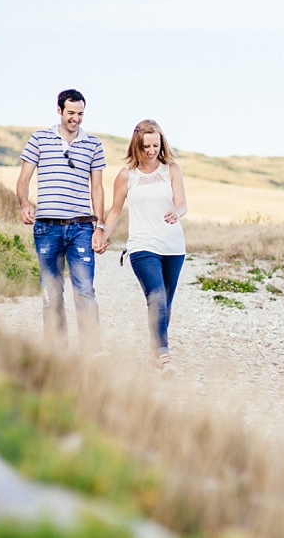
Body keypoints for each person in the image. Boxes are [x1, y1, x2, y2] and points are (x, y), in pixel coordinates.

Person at [16, 88, 106, 352]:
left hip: (81, 227)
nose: (75, 119)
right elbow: (23, 180)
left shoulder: (94, 144)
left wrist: (99, 226)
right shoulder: (39, 139)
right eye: (70, 113)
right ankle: (57, 354)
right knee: (51, 295)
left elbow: (97, 188)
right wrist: (24, 204)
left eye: (80, 114)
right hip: (46, 228)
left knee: (85, 291)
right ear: (59, 110)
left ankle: (92, 353)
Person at [102, 119, 187, 375]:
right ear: (136, 145)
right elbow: (115, 211)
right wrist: (102, 234)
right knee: (156, 297)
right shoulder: (127, 176)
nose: (151, 150)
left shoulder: (171, 169)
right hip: (142, 246)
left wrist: (177, 212)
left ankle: (155, 350)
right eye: (146, 145)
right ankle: (164, 357)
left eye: (155, 145)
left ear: (161, 144)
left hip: (173, 247)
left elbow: (182, 203)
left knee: (165, 304)